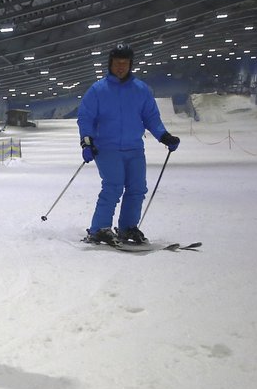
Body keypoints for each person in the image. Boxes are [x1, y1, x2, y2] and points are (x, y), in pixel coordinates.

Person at [77, 43, 180, 246]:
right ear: (110, 64)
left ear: (131, 64)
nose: (121, 67)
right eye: (117, 63)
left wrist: (163, 135)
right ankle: (100, 229)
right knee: (113, 187)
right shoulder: (98, 90)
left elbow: (151, 117)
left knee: (137, 188)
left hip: (134, 148)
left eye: (125, 63)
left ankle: (127, 227)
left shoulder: (141, 89)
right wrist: (87, 141)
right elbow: (85, 117)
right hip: (107, 147)